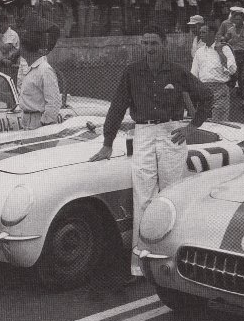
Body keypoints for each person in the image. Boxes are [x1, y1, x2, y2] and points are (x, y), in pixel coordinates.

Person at [89, 24, 213, 283]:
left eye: (154, 42)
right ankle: (140, 266)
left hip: (171, 132)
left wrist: (192, 127)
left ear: (163, 44)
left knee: (171, 195)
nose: (149, 48)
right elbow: (117, 107)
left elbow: (206, 96)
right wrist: (107, 142)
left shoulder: (177, 71)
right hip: (143, 133)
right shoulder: (132, 72)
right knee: (143, 197)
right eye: (145, 43)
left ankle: (173, 262)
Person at [18, 14, 61, 130]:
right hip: (26, 120)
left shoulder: (45, 70)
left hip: (39, 122)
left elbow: (54, 103)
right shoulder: (29, 68)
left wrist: (45, 124)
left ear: (25, 49)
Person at [191, 21, 237, 121]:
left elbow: (232, 70)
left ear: (212, 33)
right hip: (203, 90)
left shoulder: (225, 48)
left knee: (219, 122)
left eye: (204, 32)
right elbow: (193, 73)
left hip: (220, 89)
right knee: (203, 122)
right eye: (200, 32)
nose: (201, 35)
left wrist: (220, 52)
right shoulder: (199, 52)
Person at [224, 11, 244, 109]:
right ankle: (239, 91)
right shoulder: (230, 30)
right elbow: (224, 40)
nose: (237, 21)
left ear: (243, 20)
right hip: (235, 56)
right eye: (235, 19)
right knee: (235, 76)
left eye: (239, 19)